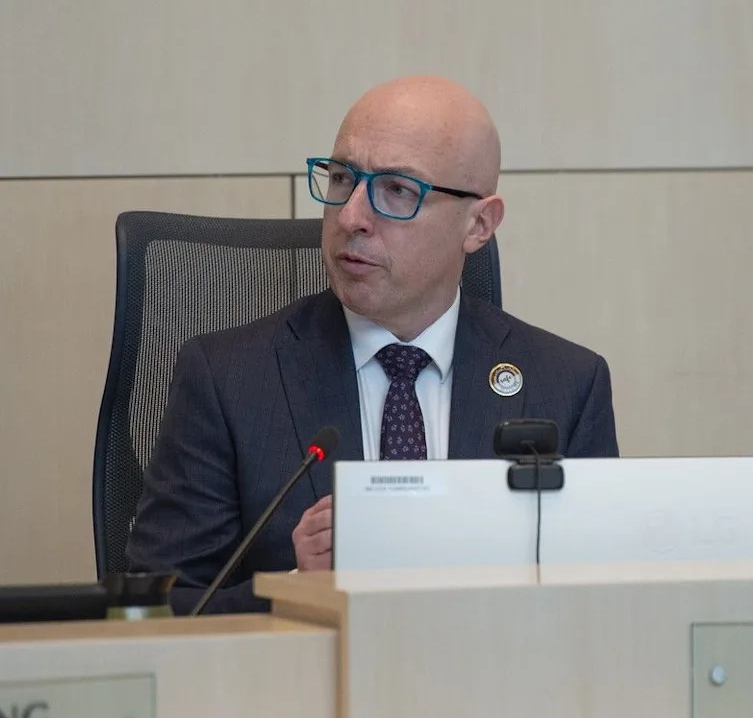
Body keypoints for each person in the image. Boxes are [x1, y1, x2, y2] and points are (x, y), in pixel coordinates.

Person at [127, 76, 619, 614]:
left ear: (479, 225)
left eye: (398, 191)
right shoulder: (227, 379)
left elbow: (599, 604)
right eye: (342, 178)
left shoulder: (567, 385)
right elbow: (153, 611)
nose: (351, 217)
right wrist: (298, 586)